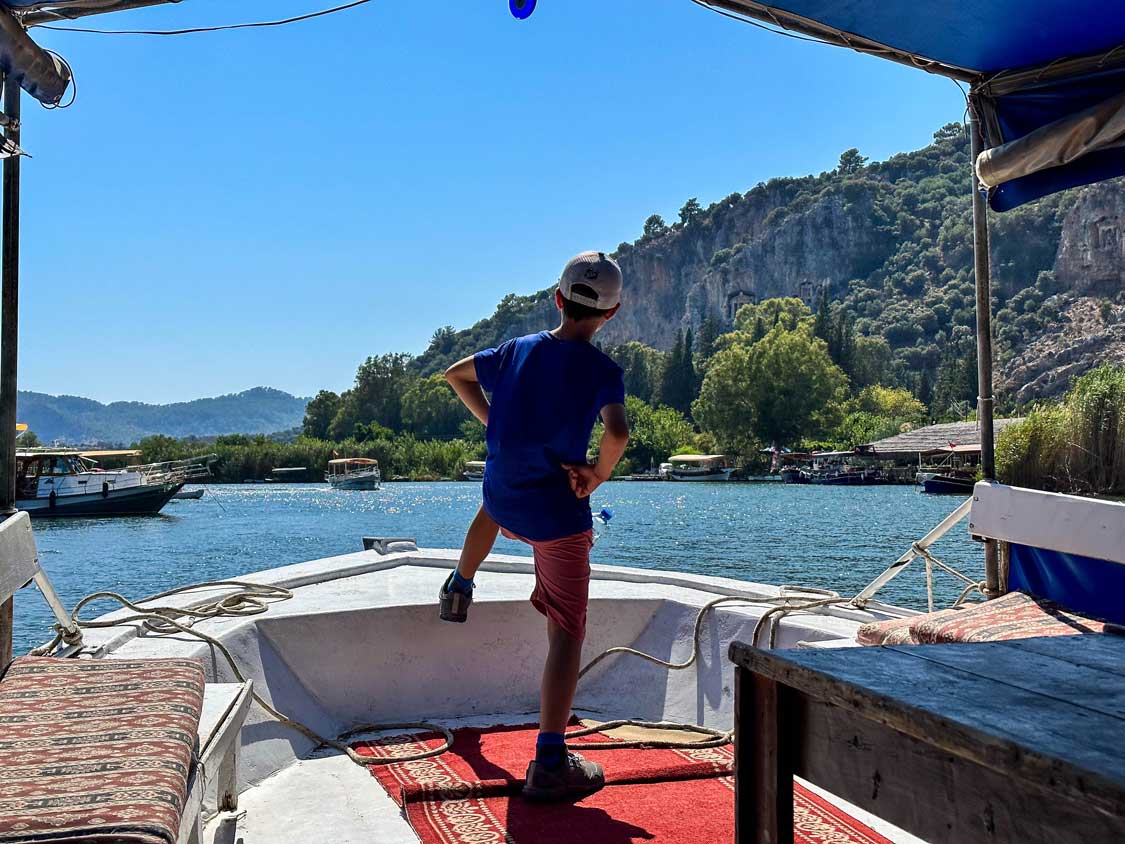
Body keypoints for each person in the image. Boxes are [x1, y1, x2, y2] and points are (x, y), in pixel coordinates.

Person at [441, 250, 630, 802]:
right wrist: (596, 474)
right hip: (555, 516)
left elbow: (456, 376)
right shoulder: (602, 371)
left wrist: (495, 420)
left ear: (557, 298)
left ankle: (461, 581)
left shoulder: (517, 351)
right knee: (567, 628)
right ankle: (550, 759)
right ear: (612, 314)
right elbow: (617, 433)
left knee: (491, 509)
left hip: (505, 496)